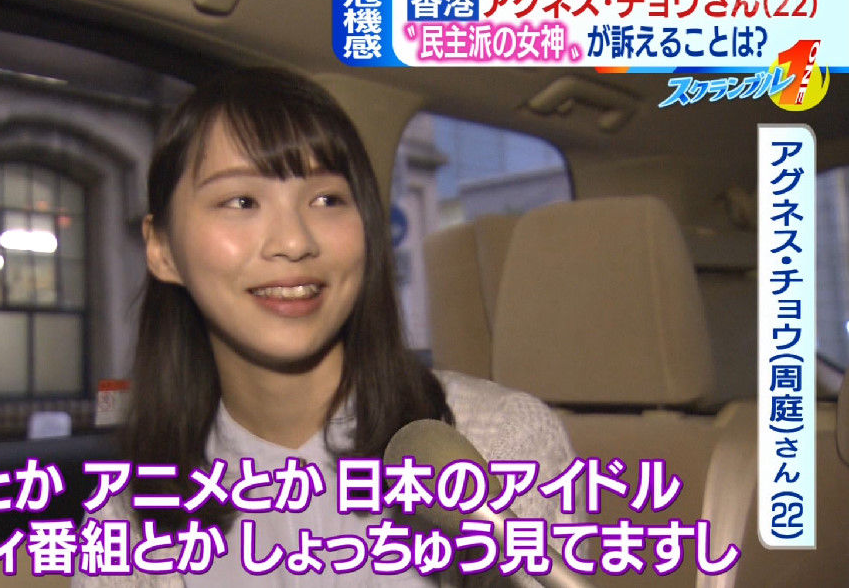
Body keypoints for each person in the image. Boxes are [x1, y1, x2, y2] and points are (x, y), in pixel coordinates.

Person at [73, 68, 580, 587]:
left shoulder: (498, 445)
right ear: (161, 249)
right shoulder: (125, 523)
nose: (294, 242)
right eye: (241, 201)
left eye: (327, 200)